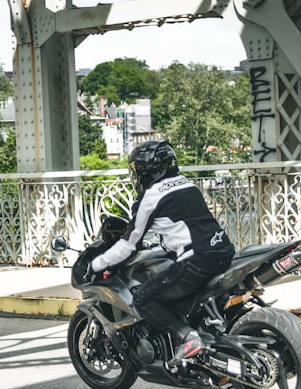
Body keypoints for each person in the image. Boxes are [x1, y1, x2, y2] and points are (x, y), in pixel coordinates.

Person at [89, 140, 235, 365]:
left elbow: (129, 243)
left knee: (143, 298)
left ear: (146, 170)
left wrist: (97, 264)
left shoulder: (150, 196)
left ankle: (187, 337)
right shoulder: (186, 185)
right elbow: (185, 228)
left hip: (197, 262)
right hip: (223, 251)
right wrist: (160, 248)